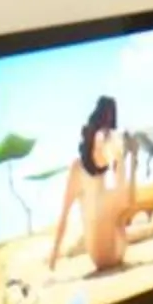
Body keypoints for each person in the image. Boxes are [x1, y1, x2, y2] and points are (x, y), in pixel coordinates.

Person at [45, 96, 137, 274]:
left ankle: (131, 160)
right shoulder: (78, 169)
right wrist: (53, 257)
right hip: (100, 255)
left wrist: (129, 163)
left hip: (117, 248)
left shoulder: (112, 165)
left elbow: (127, 207)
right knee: (108, 200)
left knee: (118, 195)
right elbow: (64, 214)